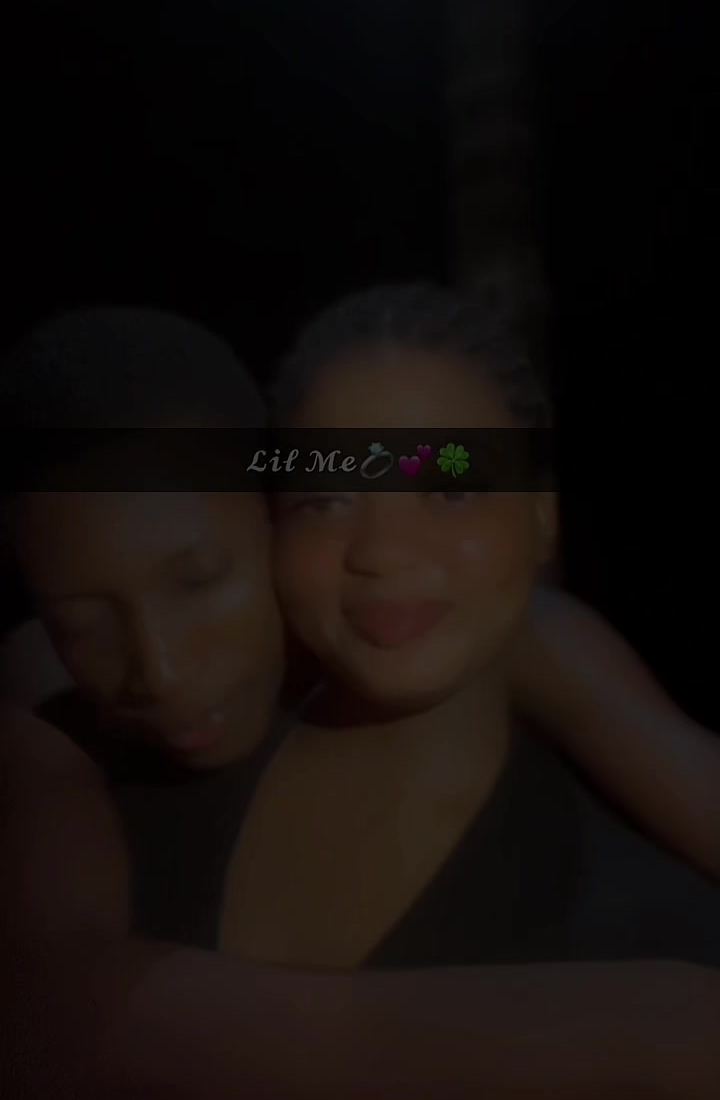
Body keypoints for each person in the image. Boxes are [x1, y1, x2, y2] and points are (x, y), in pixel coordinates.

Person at [1, 304, 718, 1097]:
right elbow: (56, 1012)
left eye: (199, 580)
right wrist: (644, 1030)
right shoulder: (44, 703)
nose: (161, 673)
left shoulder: (500, 633)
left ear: (271, 512)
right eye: (81, 625)